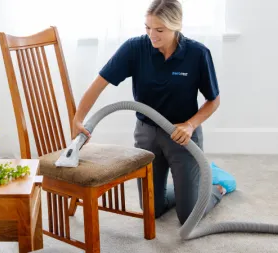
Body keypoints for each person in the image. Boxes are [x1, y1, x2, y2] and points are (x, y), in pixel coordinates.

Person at [71, 0, 235, 225]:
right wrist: (78, 118)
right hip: (147, 135)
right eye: (147, 27)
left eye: (159, 30)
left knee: (189, 216)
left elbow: (213, 101)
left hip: (182, 137)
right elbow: (99, 84)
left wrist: (190, 125)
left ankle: (215, 186)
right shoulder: (135, 48)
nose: (151, 35)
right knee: (152, 210)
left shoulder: (197, 54)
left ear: (176, 27)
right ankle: (189, 186)